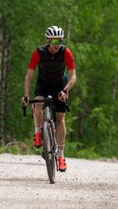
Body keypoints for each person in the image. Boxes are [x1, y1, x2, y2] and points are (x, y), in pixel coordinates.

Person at [23, 25, 76, 172]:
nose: (56, 45)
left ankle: (60, 156)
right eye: (53, 42)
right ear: (47, 40)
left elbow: (73, 76)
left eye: (59, 41)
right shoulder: (38, 53)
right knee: (38, 103)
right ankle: (38, 132)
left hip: (60, 85)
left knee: (60, 119)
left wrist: (66, 90)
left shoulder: (66, 53)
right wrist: (26, 95)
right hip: (43, 84)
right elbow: (28, 76)